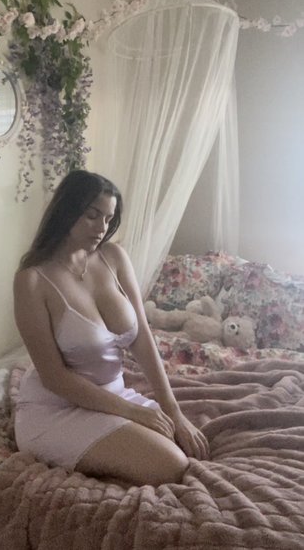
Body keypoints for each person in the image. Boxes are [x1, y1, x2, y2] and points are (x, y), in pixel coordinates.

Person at [13, 169, 209, 487]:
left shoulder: (113, 257)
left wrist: (173, 410)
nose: (101, 228)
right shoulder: (33, 280)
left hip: (111, 395)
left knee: (186, 446)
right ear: (66, 210)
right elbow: (54, 377)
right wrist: (134, 412)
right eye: (92, 216)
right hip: (56, 408)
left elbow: (142, 337)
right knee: (173, 466)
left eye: (108, 218)